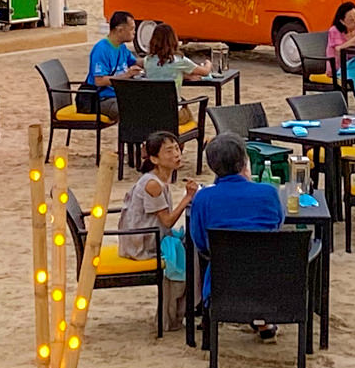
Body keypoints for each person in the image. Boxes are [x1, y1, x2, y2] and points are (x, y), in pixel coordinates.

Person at [188, 133, 285, 340]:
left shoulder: (203, 197)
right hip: (270, 281)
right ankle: (263, 322)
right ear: (244, 162)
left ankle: (208, 317)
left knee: (213, 257)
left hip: (222, 283)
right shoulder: (268, 192)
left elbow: (199, 242)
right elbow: (277, 225)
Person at [116, 131, 198, 331]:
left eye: (177, 149)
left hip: (148, 234)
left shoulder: (158, 179)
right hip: (143, 243)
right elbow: (168, 221)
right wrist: (188, 198)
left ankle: (188, 308)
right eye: (169, 151)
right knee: (192, 253)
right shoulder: (153, 184)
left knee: (192, 246)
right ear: (154, 159)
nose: (176, 154)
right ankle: (180, 311)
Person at [143, 23, 210, 125]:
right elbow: (205, 72)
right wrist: (208, 63)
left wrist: (183, 75)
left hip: (152, 114)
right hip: (172, 114)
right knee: (185, 107)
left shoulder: (147, 61)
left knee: (183, 104)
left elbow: (162, 72)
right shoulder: (179, 61)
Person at [86, 10, 141, 119]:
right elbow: (99, 81)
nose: (134, 32)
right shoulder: (101, 49)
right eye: (132, 29)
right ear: (120, 30)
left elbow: (136, 62)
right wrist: (126, 75)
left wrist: (155, 59)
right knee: (133, 111)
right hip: (103, 99)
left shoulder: (122, 47)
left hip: (120, 96)